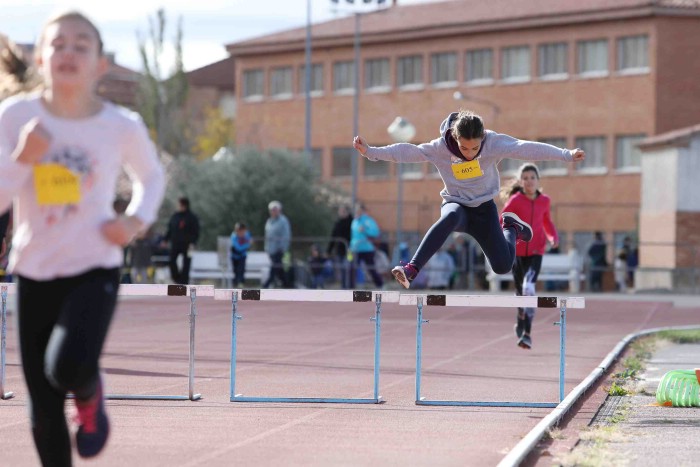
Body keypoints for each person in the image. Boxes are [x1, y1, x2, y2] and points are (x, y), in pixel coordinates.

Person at [0, 10, 165, 465]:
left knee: (67, 366)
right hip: (34, 270)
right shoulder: (15, 117)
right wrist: (20, 158)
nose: (68, 53)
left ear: (99, 64)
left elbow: (152, 178)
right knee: (43, 410)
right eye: (58, 44)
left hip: (94, 266)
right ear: (39, 58)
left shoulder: (121, 124)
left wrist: (132, 222)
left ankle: (90, 397)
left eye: (80, 45)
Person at [353, 110, 585, 289]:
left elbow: (526, 148)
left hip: (483, 210)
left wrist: (565, 155)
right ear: (455, 138)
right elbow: (407, 151)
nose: (470, 153)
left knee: (503, 266)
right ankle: (411, 269)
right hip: (457, 203)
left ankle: (511, 228)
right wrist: (371, 152)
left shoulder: (493, 142)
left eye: (475, 148)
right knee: (451, 216)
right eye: (464, 148)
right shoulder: (440, 147)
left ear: (482, 138)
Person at [500, 163, 559, 350]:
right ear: (520, 181)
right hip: (517, 252)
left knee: (529, 287)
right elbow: (503, 218)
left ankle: (527, 333)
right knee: (520, 292)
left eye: (532, 177)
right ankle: (520, 317)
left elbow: (547, 221)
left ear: (538, 180)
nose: (529, 181)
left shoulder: (545, 201)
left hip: (536, 251)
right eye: (525, 178)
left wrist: (553, 237)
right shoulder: (516, 200)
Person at [164, 197, 200, 285]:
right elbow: (170, 229)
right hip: (175, 243)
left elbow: (196, 231)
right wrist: (165, 239)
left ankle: (184, 282)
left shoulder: (192, 217)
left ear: (184, 206)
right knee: (171, 260)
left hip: (188, 245)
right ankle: (176, 278)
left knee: (186, 263)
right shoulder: (175, 216)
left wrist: (193, 242)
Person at [349, 203, 384, 289]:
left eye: (359, 210)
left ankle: (380, 285)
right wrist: (350, 247)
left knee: (371, 268)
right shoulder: (354, 221)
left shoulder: (368, 220)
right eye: (356, 210)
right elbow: (353, 236)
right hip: (355, 249)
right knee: (351, 268)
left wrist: (365, 230)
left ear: (363, 211)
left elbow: (375, 233)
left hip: (367, 249)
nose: (357, 212)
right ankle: (350, 287)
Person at [263, 200, 291, 288]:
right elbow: (267, 235)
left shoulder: (283, 221)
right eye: (271, 210)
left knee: (274, 270)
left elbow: (286, 235)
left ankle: (263, 288)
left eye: (275, 209)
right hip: (271, 250)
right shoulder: (269, 221)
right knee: (279, 271)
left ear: (279, 210)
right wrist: (266, 248)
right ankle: (288, 287)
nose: (273, 211)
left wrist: (282, 248)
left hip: (279, 250)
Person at [326, 205, 352, 288]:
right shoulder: (338, 223)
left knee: (349, 267)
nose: (340, 213)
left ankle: (350, 286)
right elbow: (333, 237)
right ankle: (344, 286)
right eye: (340, 211)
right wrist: (328, 251)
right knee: (342, 269)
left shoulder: (352, 222)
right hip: (340, 251)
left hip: (350, 250)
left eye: (342, 211)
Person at [229, 222, 252, 287]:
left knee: (242, 270)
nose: (241, 233)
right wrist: (246, 245)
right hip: (234, 257)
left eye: (242, 231)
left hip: (242, 256)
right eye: (238, 231)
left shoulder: (247, 234)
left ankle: (241, 284)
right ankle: (235, 285)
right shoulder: (233, 236)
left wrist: (247, 244)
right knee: (235, 271)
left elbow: (249, 243)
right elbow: (238, 248)